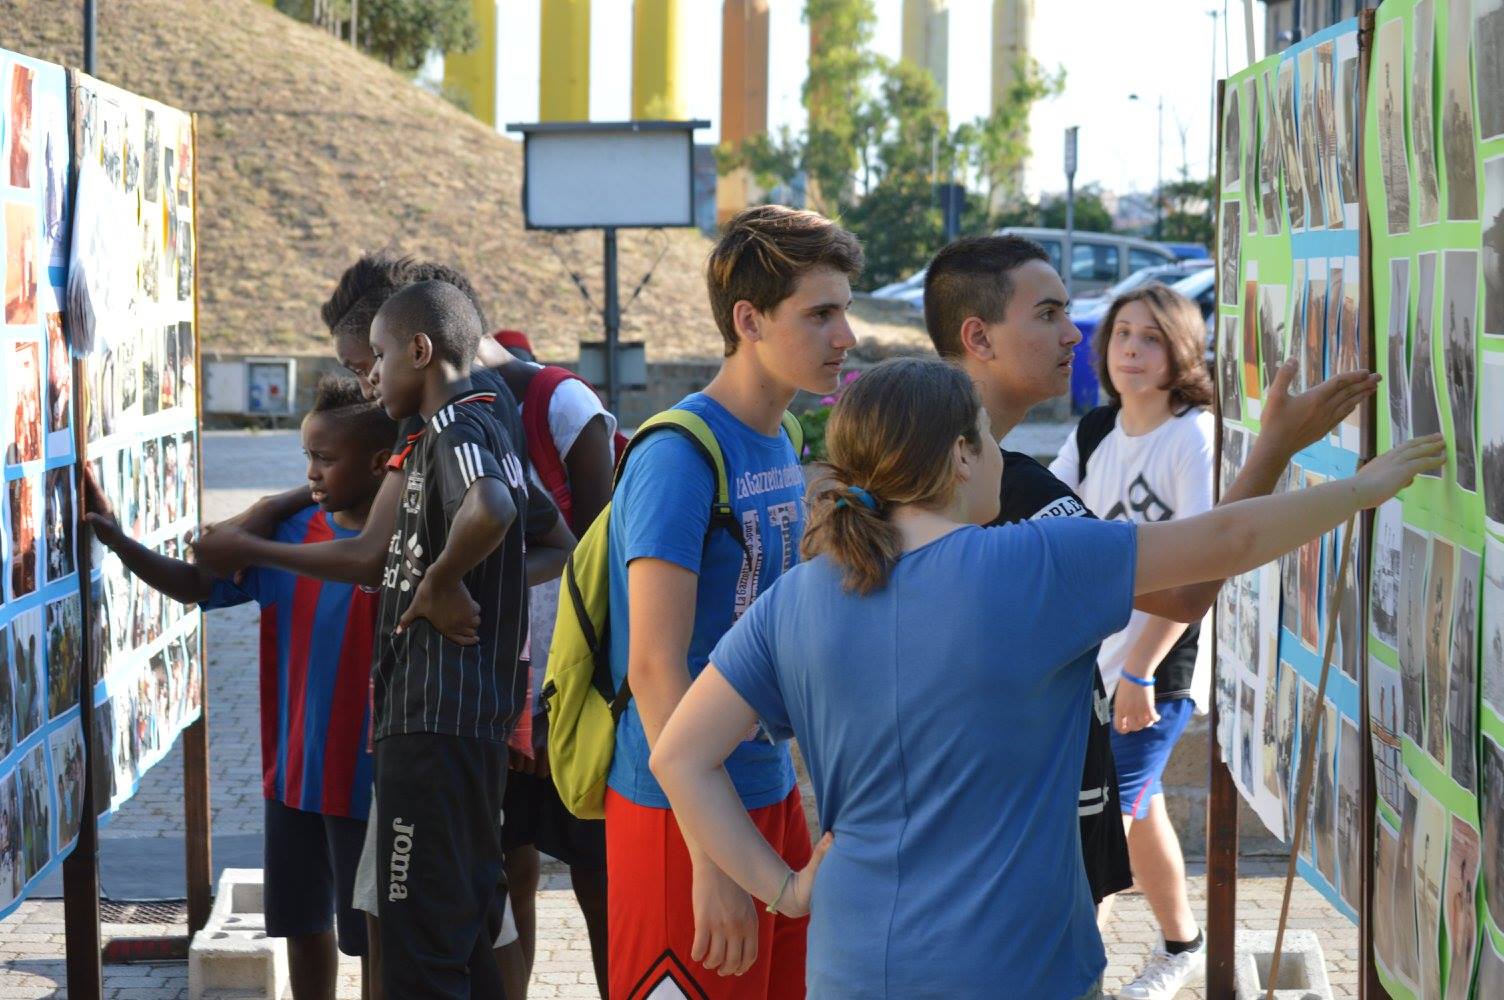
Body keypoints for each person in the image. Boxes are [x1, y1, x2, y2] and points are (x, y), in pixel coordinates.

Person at [649, 357, 1444, 998]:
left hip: (851, 963)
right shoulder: (1030, 564)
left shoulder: (799, 596)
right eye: (990, 444)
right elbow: (1226, 541)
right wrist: (1364, 489)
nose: (1003, 459)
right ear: (961, 454)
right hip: (1016, 967)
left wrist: (782, 890)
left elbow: (678, 757)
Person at [919, 235, 1379, 917]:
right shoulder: (995, 485)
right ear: (979, 337)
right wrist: (1280, 449)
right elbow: (1189, 585)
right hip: (1000, 859)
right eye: (1047, 315)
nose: (1074, 335)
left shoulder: (930, 456)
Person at [606, 205, 861, 999]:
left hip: (766, 792)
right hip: (681, 818)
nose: (845, 335)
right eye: (821, 313)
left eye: (844, 309)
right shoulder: (679, 455)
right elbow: (652, 669)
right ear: (748, 320)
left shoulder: (782, 439)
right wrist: (711, 860)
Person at [84, 375, 393, 1000]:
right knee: (304, 924)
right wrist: (117, 540)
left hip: (370, 778)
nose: (311, 472)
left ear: (380, 462)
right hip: (293, 776)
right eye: (307, 456)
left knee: (374, 937)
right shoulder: (287, 532)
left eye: (326, 459)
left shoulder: (397, 546)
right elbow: (197, 585)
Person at [1046, 284, 1215, 998]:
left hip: (1154, 675)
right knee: (1134, 811)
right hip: (1092, 666)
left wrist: (1140, 671)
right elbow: (1041, 527)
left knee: (1100, 831)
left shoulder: (1193, 436)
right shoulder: (1093, 432)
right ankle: (1184, 945)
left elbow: (1205, 560)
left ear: (1181, 350)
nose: (1132, 352)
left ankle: (1071, 976)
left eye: (1150, 338)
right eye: (1121, 336)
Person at [490, 342, 616, 998]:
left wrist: (548, 715)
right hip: (500, 706)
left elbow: (604, 572)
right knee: (508, 878)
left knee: (601, 883)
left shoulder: (562, 408)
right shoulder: (443, 418)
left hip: (574, 704)